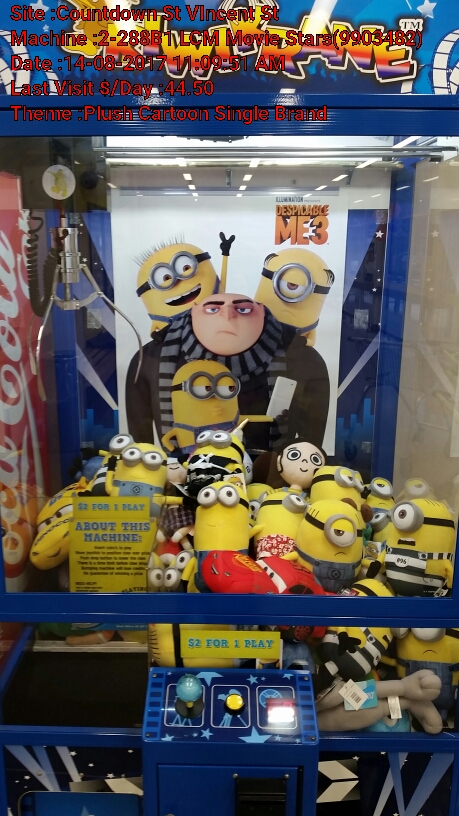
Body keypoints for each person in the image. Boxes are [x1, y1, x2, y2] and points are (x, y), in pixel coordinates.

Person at [126, 293, 330, 454]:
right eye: (213, 309)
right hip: (185, 472)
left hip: (268, 475)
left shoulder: (302, 359)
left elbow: (311, 445)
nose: (227, 315)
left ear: (262, 312)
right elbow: (140, 442)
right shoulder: (152, 358)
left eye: (243, 309)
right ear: (193, 312)